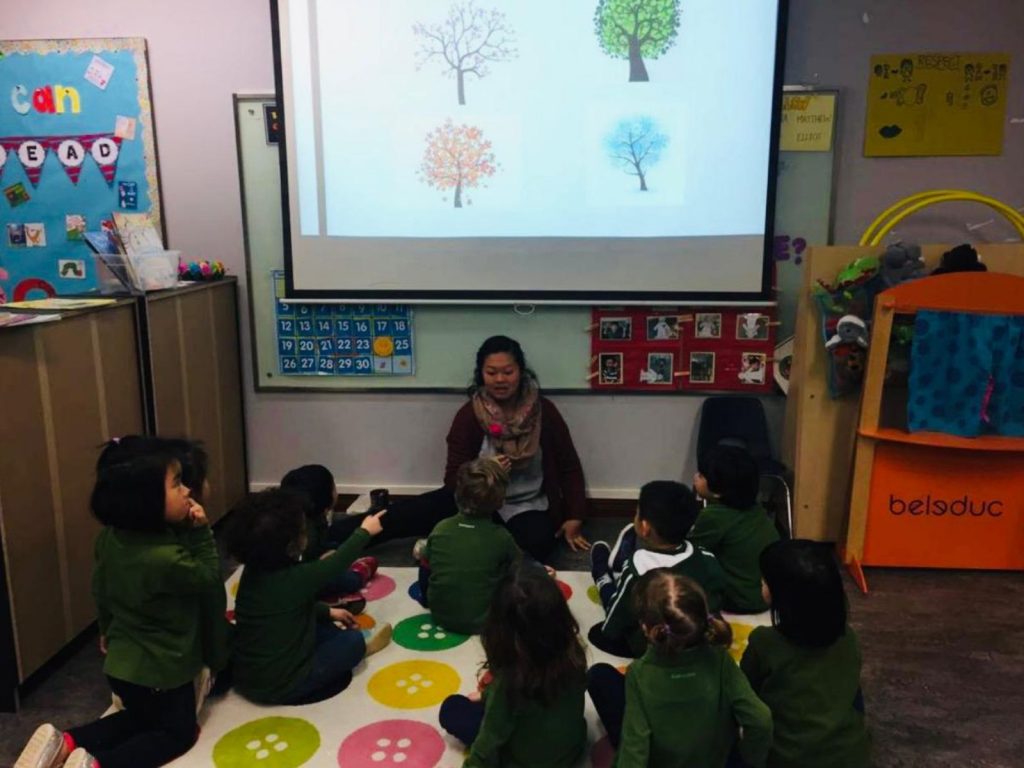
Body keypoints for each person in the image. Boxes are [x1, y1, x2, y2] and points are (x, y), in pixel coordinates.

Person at [15, 437, 223, 768]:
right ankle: (99, 764)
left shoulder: (110, 540)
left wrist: (106, 627)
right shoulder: (168, 559)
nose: (187, 491)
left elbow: (101, 589)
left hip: (121, 665)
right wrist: (200, 532)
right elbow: (208, 578)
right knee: (176, 733)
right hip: (163, 671)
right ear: (146, 502)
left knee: (139, 718)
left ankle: (66, 741)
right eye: (177, 484)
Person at [331, 335, 590, 563]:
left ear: (521, 371)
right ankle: (331, 538)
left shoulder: (544, 412)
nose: (500, 379)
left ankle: (451, 547)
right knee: (407, 513)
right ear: (481, 374)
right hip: (473, 502)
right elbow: (453, 479)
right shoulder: (470, 415)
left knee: (536, 545)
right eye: (491, 372)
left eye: (508, 371)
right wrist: (483, 472)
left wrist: (574, 516)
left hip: (528, 505)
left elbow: (569, 467)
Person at [587, 571, 773, 767]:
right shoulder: (720, 659)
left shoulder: (639, 674)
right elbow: (761, 719)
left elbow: (635, 747)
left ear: (646, 628)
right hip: (715, 759)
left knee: (598, 675)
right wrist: (749, 759)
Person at [225, 488, 391, 705]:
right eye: (303, 530)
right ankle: (361, 646)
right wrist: (364, 532)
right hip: (285, 685)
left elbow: (283, 609)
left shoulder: (252, 574)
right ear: (291, 544)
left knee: (320, 626)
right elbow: (336, 563)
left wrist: (327, 611)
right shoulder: (296, 577)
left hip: (247, 677)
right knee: (352, 642)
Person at [438, 563, 587, 767]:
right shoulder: (575, 655)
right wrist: (487, 695)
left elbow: (486, 746)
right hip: (570, 753)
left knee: (452, 708)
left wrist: (491, 697)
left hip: (522, 762)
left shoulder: (510, 683)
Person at [741, 540, 870, 768]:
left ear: (784, 597)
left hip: (789, 757)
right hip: (851, 754)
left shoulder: (765, 643)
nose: (761, 584)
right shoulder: (848, 637)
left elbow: (745, 697)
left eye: (766, 581)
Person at [589, 480, 726, 657]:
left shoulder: (637, 570)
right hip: (693, 636)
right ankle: (616, 566)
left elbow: (616, 619)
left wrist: (606, 633)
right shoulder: (708, 558)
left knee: (608, 593)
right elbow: (714, 604)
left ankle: (604, 569)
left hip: (651, 644)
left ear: (645, 527)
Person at [417, 458, 520, 633]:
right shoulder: (502, 537)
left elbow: (426, 567)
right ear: (501, 501)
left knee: (427, 558)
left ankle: (430, 600)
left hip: (441, 616)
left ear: (457, 494)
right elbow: (519, 568)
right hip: (488, 621)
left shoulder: (441, 528)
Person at [690, 445, 780, 613]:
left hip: (739, 600)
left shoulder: (713, 516)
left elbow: (692, 551)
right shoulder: (755, 509)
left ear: (718, 492)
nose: (695, 477)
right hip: (765, 595)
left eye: (701, 475)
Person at [280, 463, 379, 605]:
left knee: (336, 546)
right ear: (324, 495)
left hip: (309, 562)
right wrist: (323, 561)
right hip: (306, 578)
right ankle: (358, 573)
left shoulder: (316, 516)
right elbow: (302, 571)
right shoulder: (304, 530)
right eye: (333, 486)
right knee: (350, 580)